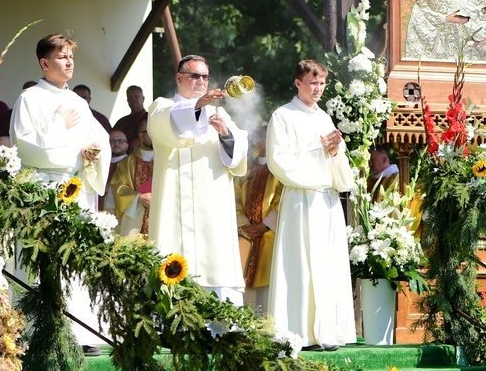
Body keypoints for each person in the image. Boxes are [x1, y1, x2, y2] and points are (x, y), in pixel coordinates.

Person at [9, 33, 110, 352]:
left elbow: (101, 139)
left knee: (76, 256)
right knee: (47, 257)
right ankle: (41, 334)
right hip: (44, 191)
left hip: (76, 191)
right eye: (63, 56)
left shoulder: (79, 102)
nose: (69, 62)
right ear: (44, 62)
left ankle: (84, 333)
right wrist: (57, 122)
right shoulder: (30, 99)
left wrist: (94, 150)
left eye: (71, 56)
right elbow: (27, 148)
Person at [266, 59, 356, 352]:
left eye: (321, 84)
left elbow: (336, 161)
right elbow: (279, 161)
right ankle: (299, 332)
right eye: (312, 83)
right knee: (300, 264)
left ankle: (327, 331)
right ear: (298, 83)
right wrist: (319, 151)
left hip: (326, 200)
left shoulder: (324, 118)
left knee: (327, 263)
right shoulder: (282, 116)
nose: (318, 89)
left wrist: (333, 152)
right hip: (300, 200)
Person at [147, 55, 249, 305]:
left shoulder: (220, 112)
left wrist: (225, 134)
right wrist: (197, 107)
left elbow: (238, 156)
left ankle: (221, 327)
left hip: (212, 206)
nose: (201, 81)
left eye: (205, 76)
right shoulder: (161, 106)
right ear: (179, 78)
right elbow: (167, 125)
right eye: (195, 75)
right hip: (175, 203)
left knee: (216, 260)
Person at [235, 125, 283, 314]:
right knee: (246, 282)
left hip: (270, 233)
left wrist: (265, 225)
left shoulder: (278, 169)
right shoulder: (246, 169)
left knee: (268, 280)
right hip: (247, 235)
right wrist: (244, 223)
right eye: (262, 138)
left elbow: (282, 198)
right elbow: (235, 196)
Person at [112, 117, 154, 237]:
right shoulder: (126, 163)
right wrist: (138, 197)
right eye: (151, 132)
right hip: (136, 221)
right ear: (141, 135)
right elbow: (118, 187)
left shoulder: (165, 161)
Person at [99, 129, 129, 213]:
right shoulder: (99, 162)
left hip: (120, 206)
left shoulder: (130, 164)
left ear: (127, 145)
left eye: (120, 141)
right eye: (112, 141)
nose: (116, 144)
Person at [113, 85, 147, 151]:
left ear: (143, 99)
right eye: (130, 97)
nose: (133, 99)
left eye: (136, 97)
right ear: (127, 100)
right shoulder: (121, 122)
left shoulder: (150, 119)